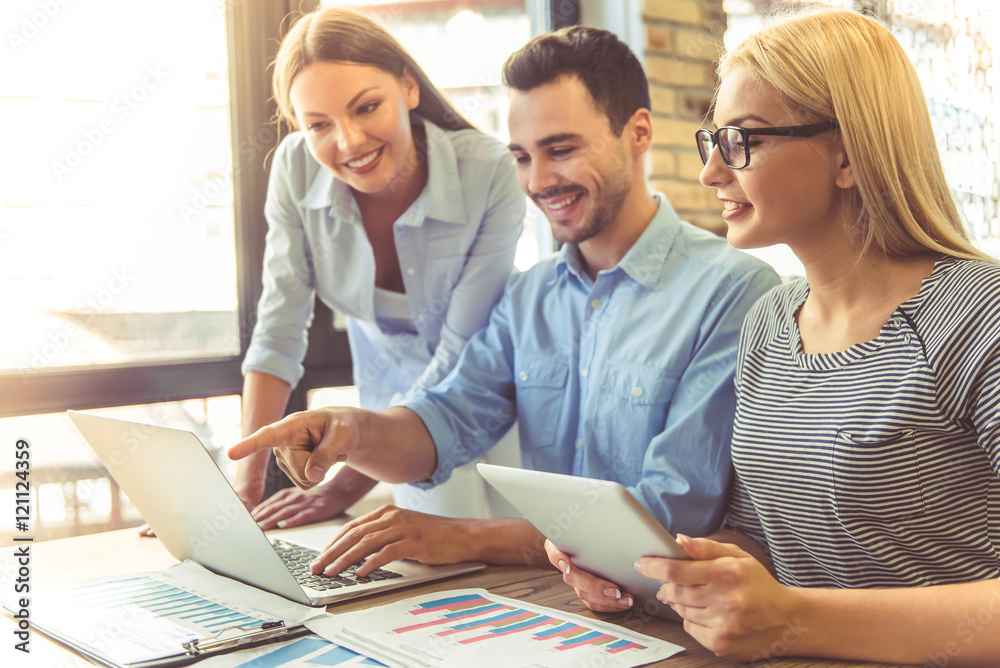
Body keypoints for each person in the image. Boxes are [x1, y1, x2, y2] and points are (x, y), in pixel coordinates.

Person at [228, 26, 780, 583]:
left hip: (683, 617)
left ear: (638, 133)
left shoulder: (734, 293)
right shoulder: (527, 297)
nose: (539, 182)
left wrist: (461, 536)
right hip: (565, 600)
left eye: (561, 150)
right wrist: (347, 431)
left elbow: (670, 517)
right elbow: (445, 420)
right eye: (522, 157)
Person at [549, 9, 1000, 665]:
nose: (710, 174)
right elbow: (767, 541)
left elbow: (795, 608)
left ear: (847, 155)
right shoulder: (769, 322)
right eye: (714, 141)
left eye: (743, 141)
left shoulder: (979, 313)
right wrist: (665, 573)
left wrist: (795, 618)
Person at [229, 6, 526, 531]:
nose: (348, 143)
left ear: (408, 88)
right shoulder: (295, 169)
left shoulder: (487, 170)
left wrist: (350, 475)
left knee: (498, 566)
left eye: (366, 107)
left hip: (481, 408)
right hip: (379, 424)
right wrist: (243, 492)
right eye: (319, 124)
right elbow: (277, 333)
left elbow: (460, 350)